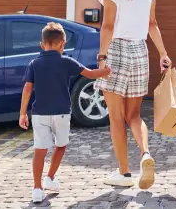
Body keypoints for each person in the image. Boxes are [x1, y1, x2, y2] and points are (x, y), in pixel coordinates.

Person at [94, 0, 172, 190]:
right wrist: (163, 54)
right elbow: (152, 24)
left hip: (116, 51)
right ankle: (145, 154)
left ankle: (124, 173)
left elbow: (107, 27)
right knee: (134, 115)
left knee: (116, 118)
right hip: (140, 51)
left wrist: (102, 57)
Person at [19, 22, 111, 203]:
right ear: (63, 44)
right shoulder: (66, 61)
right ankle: (50, 177)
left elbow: (27, 90)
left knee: (40, 150)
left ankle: (37, 189)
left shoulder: (34, 63)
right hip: (61, 113)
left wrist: (23, 113)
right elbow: (91, 74)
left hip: (39, 114)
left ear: (41, 44)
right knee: (60, 146)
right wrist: (107, 71)